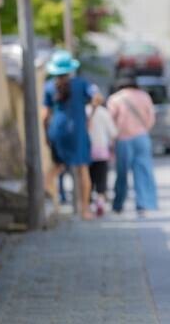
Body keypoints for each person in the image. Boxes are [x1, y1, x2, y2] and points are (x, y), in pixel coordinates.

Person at [42, 50, 94, 219]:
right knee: (82, 170)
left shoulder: (49, 86)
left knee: (56, 168)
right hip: (78, 130)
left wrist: (46, 136)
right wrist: (90, 116)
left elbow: (45, 115)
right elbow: (98, 98)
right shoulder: (82, 84)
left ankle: (54, 204)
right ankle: (85, 209)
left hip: (57, 130)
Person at [107, 75, 158, 216]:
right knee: (143, 171)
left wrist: (113, 139)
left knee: (122, 173)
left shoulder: (115, 99)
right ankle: (143, 204)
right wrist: (142, 130)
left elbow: (110, 122)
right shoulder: (144, 96)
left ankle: (118, 204)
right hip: (142, 137)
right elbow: (151, 118)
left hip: (123, 139)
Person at [86, 91, 118, 218]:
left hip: (86, 151)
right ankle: (100, 202)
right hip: (101, 151)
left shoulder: (83, 111)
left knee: (88, 179)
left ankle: (87, 205)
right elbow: (113, 132)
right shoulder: (104, 113)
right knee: (101, 180)